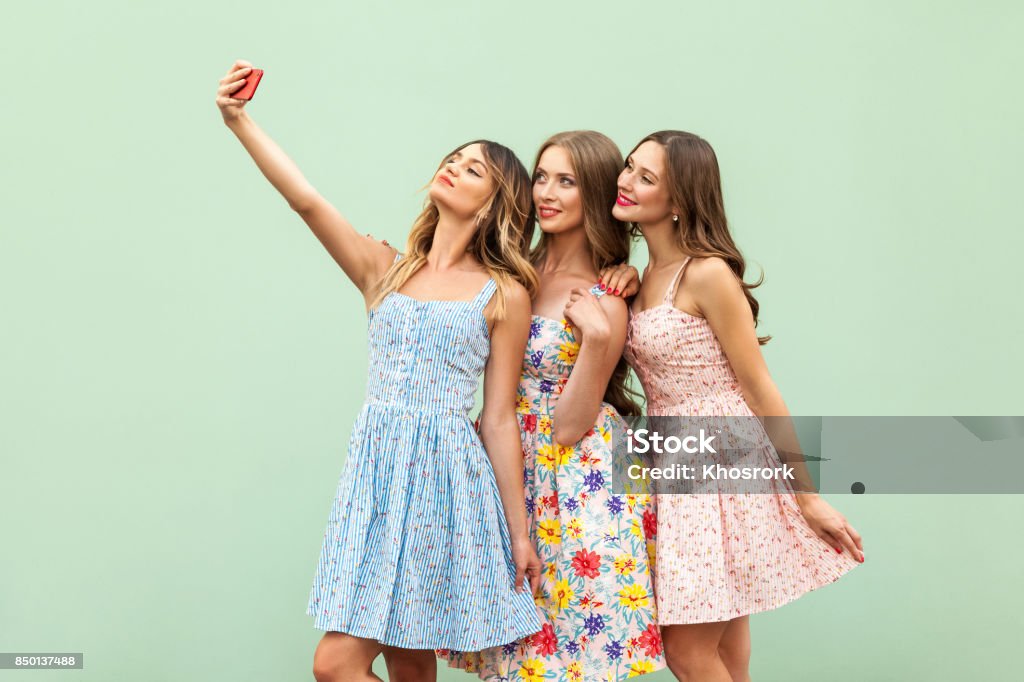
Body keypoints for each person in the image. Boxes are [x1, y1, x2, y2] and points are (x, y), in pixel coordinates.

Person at [216, 60, 543, 682]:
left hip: (446, 479)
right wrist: (238, 121)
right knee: (391, 665)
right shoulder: (384, 267)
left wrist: (518, 535)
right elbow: (305, 200)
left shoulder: (504, 293)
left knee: (361, 664)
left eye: (474, 168)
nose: (453, 165)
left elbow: (497, 417)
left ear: (495, 202)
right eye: (455, 157)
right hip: (376, 472)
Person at [611, 130, 864, 682]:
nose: (626, 181)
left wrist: (808, 497)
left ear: (679, 202)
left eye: (646, 177)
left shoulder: (706, 273)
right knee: (727, 649)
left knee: (686, 649)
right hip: (673, 458)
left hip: (722, 462)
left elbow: (759, 388)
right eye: (629, 167)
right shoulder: (639, 275)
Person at [444, 131, 665, 681]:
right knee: (513, 658)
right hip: (505, 469)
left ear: (593, 194)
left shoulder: (605, 295)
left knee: (567, 660)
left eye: (565, 181)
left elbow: (569, 426)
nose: (546, 191)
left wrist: (594, 341)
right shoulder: (512, 268)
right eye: (541, 176)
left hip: (577, 487)